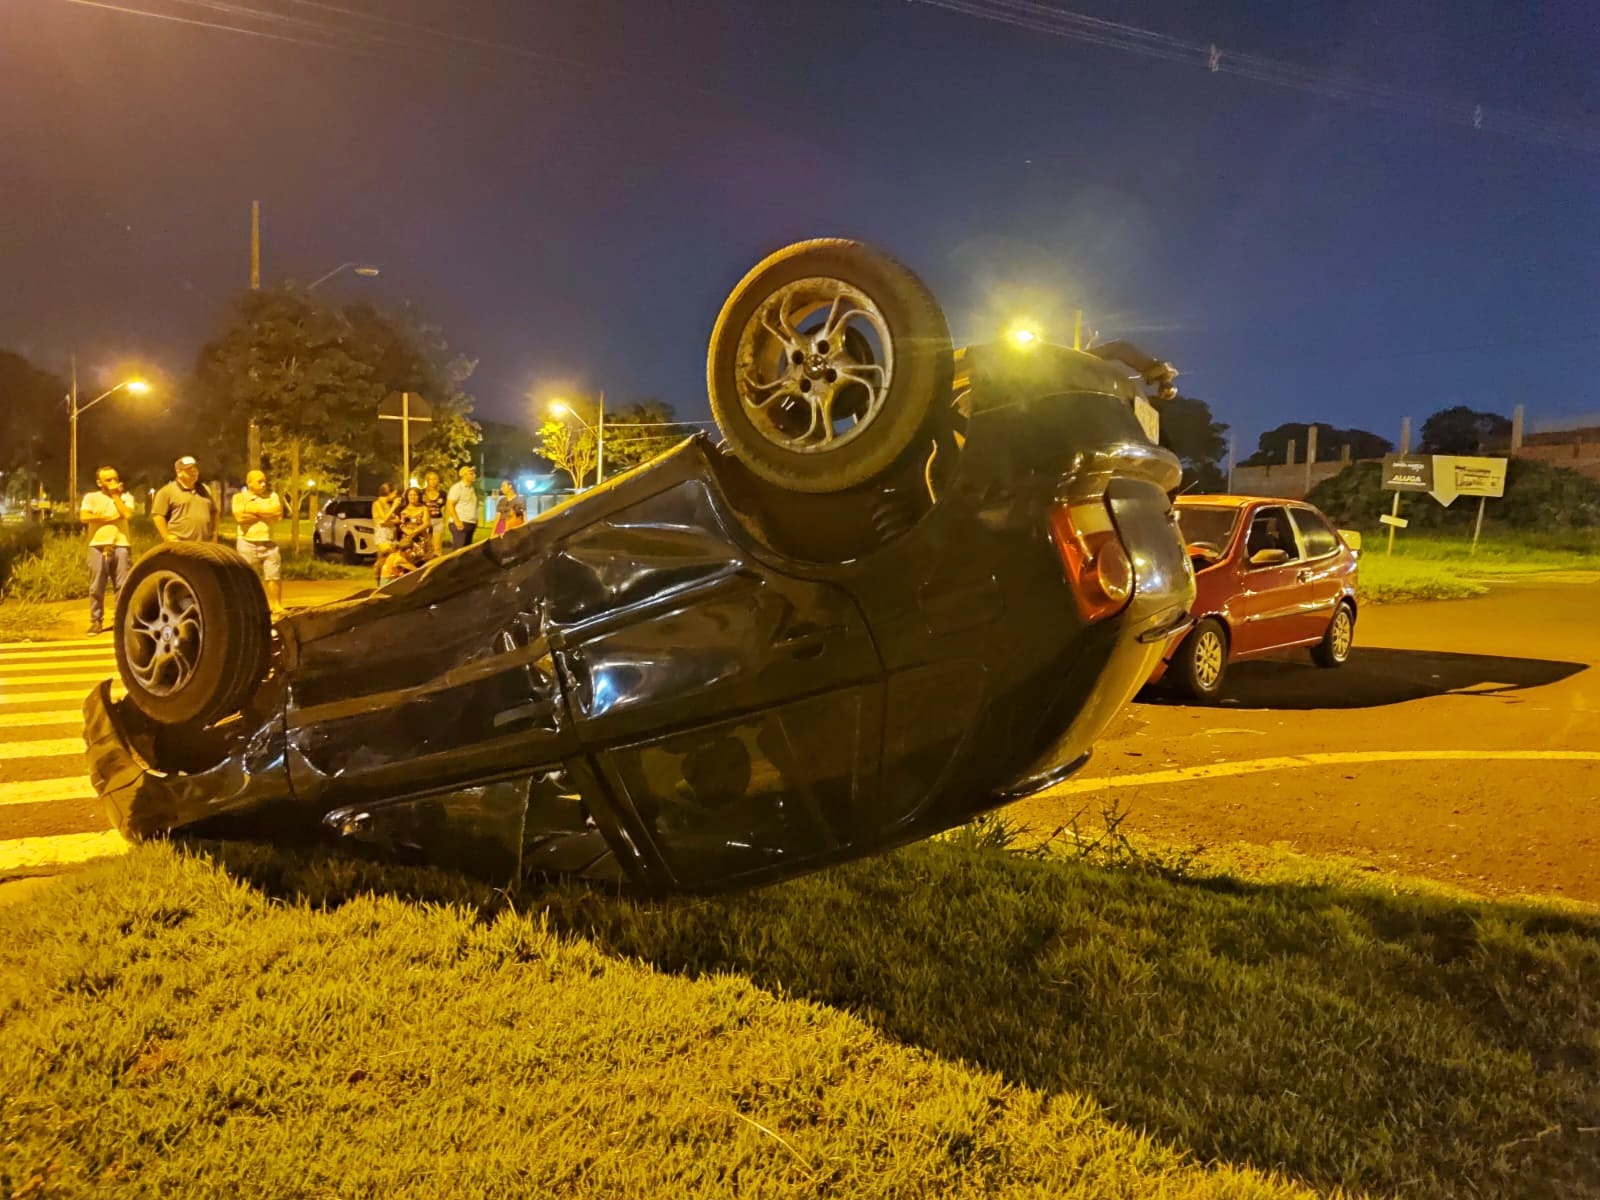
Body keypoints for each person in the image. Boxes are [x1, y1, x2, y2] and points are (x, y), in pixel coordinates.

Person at [78, 465, 135, 635]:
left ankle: (119, 620)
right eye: (108, 479)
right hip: (97, 545)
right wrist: (107, 518)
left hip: (121, 544)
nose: (112, 482)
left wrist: (116, 496)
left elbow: (127, 514)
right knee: (97, 586)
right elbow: (84, 516)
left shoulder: (126, 497)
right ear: (99, 482)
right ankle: (96, 621)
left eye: (115, 478)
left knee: (122, 585)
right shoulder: (91, 497)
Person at [231, 469, 285, 617]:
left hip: (269, 543)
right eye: (259, 481)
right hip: (247, 542)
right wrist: (265, 513)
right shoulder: (238, 497)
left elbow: (277, 513)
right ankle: (248, 607)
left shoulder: (272, 496)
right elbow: (240, 517)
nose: (263, 484)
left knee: (274, 576)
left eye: (264, 481)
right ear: (249, 483)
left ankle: (276, 605)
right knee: (247, 578)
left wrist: (254, 510)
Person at [151, 455, 219, 543]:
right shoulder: (167, 491)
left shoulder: (205, 490)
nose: (194, 471)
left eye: (195, 468)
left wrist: (214, 533)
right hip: (180, 545)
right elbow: (158, 515)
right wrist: (166, 536)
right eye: (189, 469)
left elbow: (214, 512)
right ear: (178, 472)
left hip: (204, 544)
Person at [445, 465, 480, 550]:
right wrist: (457, 521)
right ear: (464, 475)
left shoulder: (471, 489)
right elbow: (450, 504)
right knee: (459, 551)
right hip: (461, 523)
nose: (474, 475)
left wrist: (475, 521)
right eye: (471, 473)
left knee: (467, 551)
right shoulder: (457, 487)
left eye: (474, 473)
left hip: (470, 523)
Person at [370, 482, 398, 583]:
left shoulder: (388, 505)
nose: (395, 497)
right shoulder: (377, 504)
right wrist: (394, 507)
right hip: (382, 535)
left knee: (386, 559)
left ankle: (382, 579)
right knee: (389, 553)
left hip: (390, 534)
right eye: (394, 494)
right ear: (388, 493)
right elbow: (383, 520)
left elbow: (395, 520)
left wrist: (392, 521)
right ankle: (378, 574)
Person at [395, 485, 433, 556]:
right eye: (410, 495)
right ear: (407, 496)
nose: (413, 497)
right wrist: (406, 531)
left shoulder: (423, 508)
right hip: (406, 539)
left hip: (420, 537)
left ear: (419, 496)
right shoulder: (402, 509)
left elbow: (426, 523)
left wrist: (415, 531)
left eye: (415, 495)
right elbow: (399, 523)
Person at [421, 469, 447, 555]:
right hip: (425, 522)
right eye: (431, 479)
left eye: (435, 479)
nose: (433, 481)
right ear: (427, 480)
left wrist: (446, 521)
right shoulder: (422, 492)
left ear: (438, 480)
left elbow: (446, 508)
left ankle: (438, 565)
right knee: (425, 546)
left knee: (437, 547)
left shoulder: (442, 493)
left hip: (438, 520)